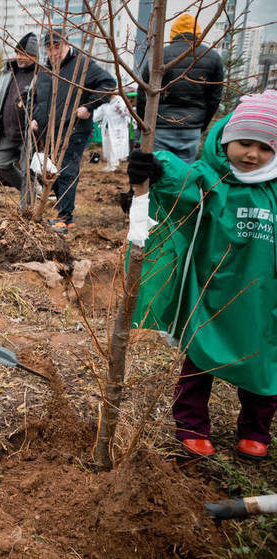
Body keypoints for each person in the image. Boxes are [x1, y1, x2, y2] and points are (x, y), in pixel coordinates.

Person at [127, 90, 277, 460]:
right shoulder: (215, 181)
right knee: (199, 358)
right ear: (226, 140)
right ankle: (192, 425)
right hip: (212, 292)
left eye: (265, 148)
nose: (252, 154)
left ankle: (255, 430)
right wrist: (155, 170)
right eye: (244, 143)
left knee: (266, 362)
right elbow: (186, 183)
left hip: (263, 298)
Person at [31, 30, 115, 235]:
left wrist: (88, 106)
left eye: (57, 46)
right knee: (51, 173)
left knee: (67, 171)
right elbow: (34, 98)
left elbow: (108, 84)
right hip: (48, 133)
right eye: (49, 47)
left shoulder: (82, 66)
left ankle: (65, 219)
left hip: (74, 129)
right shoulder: (44, 72)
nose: (53, 51)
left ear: (67, 44)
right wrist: (33, 116)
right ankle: (62, 211)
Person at [136, 13, 224, 164]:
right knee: (184, 173)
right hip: (191, 128)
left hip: (160, 126)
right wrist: (202, 124)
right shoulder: (212, 57)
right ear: (198, 33)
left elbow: (144, 94)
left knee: (158, 171)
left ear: (173, 33)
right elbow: (214, 98)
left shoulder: (160, 56)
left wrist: (143, 125)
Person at [0, 32, 38, 191]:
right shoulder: (9, 71)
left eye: (23, 54)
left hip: (28, 135)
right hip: (7, 133)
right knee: (0, 166)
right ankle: (31, 191)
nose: (19, 57)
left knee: (28, 172)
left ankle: (27, 209)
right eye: (17, 53)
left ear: (34, 55)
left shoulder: (41, 75)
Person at [93, 94, 131, 171]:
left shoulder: (119, 101)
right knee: (108, 146)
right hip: (107, 127)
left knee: (115, 146)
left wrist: (122, 110)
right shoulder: (105, 103)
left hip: (117, 128)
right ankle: (109, 164)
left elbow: (126, 112)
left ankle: (114, 165)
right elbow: (97, 114)